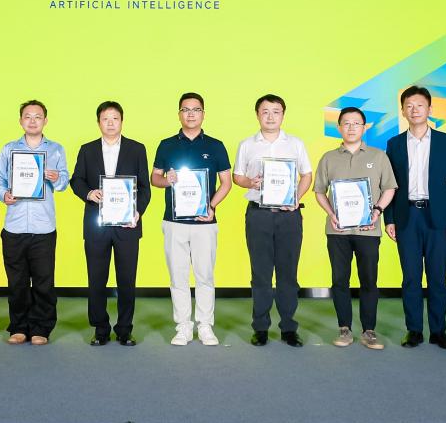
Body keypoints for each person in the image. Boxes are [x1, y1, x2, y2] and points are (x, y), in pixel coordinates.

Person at [384, 87, 446, 350]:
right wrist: (389, 219)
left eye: (419, 105)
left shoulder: (445, 141)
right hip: (407, 216)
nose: (414, 110)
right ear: (403, 110)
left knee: (438, 277)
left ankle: (439, 331)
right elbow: (389, 184)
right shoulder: (394, 144)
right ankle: (414, 330)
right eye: (409, 105)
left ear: (429, 109)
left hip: (438, 216)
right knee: (411, 277)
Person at [151, 92, 232, 346]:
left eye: (196, 110)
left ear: (203, 114)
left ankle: (205, 326)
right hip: (174, 222)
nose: (191, 114)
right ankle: (183, 327)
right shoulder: (166, 144)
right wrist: (167, 180)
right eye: (185, 110)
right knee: (178, 276)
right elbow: (155, 178)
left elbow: (226, 183)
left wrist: (212, 206)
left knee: (205, 275)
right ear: (179, 114)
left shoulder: (216, 145)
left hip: (204, 222)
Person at [313, 107, 398, 350]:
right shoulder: (328, 158)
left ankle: (369, 331)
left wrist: (377, 210)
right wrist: (332, 214)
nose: (351, 128)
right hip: (337, 231)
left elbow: (389, 188)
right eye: (346, 123)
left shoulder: (378, 156)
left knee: (369, 280)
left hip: (368, 230)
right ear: (339, 127)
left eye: (356, 123)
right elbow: (319, 191)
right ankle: (344, 329)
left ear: (364, 127)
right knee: (340, 280)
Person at [232, 94, 312, 347]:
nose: (270, 116)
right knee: (261, 273)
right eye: (265, 111)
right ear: (257, 115)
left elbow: (307, 175)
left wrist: (296, 197)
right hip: (259, 214)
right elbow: (237, 176)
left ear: (283, 115)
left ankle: (288, 328)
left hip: (289, 215)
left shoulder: (295, 144)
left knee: (288, 273)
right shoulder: (247, 144)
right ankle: (261, 328)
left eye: (276, 111)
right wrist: (250, 182)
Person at [71, 101, 152, 346]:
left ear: (122, 121)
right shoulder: (87, 150)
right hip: (97, 225)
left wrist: (137, 212)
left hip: (127, 225)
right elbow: (76, 180)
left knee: (127, 280)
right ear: (98, 122)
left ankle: (125, 329)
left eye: (115, 118)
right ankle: (100, 329)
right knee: (96, 279)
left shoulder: (136, 149)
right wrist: (89, 193)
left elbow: (145, 188)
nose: (110, 123)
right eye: (105, 119)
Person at [0, 100, 68, 345]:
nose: (32, 120)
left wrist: (56, 178)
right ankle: (19, 327)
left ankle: (41, 329)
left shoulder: (56, 149)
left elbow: (64, 183)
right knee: (17, 282)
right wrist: (4, 194)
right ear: (20, 121)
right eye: (28, 116)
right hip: (14, 225)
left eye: (37, 116)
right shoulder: (9, 149)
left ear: (45, 120)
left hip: (43, 227)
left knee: (44, 281)